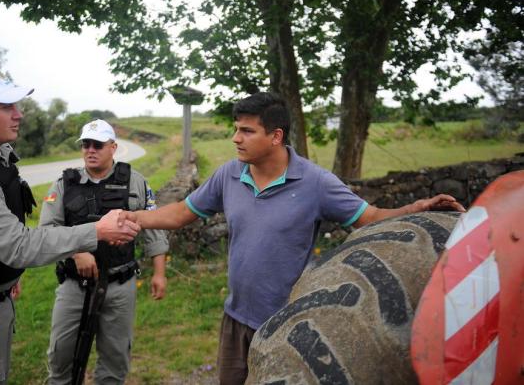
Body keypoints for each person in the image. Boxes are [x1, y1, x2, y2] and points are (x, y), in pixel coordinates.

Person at [122, 92, 465, 385]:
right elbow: (183, 212)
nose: (235, 138)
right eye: (235, 129)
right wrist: (134, 218)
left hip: (287, 323)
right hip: (235, 317)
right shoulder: (229, 174)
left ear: (275, 136)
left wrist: (417, 207)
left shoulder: (316, 182)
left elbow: (369, 219)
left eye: (246, 130)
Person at [0, 66, 140, 384]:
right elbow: (18, 245)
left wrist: (7, 275)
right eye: (7, 107)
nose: (19, 114)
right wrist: (97, 231)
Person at [41, 119, 168, 384]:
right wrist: (77, 252)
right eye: (85, 144)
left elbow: (155, 227)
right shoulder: (64, 184)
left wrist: (159, 273)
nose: (90, 150)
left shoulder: (135, 182)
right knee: (61, 357)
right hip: (75, 285)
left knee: (115, 360)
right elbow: (47, 230)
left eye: (97, 145)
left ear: (113, 147)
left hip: (120, 284)